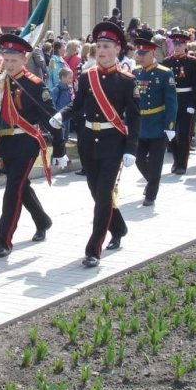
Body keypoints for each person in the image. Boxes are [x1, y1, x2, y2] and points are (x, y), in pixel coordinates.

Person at [52, 21, 139, 268]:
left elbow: (134, 117)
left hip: (113, 142)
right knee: (96, 192)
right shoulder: (88, 76)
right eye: (98, 46)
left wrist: (131, 149)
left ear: (117, 49)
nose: (100, 50)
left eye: (106, 46)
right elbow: (77, 104)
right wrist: (62, 115)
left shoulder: (127, 80)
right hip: (89, 142)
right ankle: (119, 227)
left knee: (103, 197)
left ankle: (93, 250)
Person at [0, 34, 67, 257]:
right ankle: (43, 220)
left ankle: (3, 241)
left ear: (24, 59)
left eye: (14, 60)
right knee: (21, 186)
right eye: (6, 59)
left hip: (27, 141)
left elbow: (51, 116)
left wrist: (59, 148)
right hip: (6, 141)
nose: (9, 64)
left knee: (12, 190)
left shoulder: (34, 84)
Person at [132, 37, 177, 205]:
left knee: (156, 162)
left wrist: (170, 126)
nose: (140, 56)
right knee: (138, 158)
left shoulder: (164, 73)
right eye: (139, 53)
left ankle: (151, 195)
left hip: (158, 124)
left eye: (144, 53)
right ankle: (152, 182)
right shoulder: (136, 73)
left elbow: (171, 102)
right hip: (141, 124)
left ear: (153, 53)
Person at [162, 31, 196, 175]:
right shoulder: (167, 62)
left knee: (184, 135)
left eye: (180, 44)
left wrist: (192, 104)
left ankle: (182, 164)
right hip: (171, 102)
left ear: (185, 45)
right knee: (169, 133)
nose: (177, 47)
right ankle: (177, 159)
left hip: (185, 101)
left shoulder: (192, 62)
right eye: (175, 44)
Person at [49, 67, 73, 144]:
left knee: (66, 131)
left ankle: (64, 144)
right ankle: (59, 145)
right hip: (59, 116)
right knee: (60, 133)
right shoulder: (57, 89)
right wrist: (54, 114)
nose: (71, 80)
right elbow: (51, 103)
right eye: (69, 78)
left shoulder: (69, 88)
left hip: (67, 114)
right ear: (63, 77)